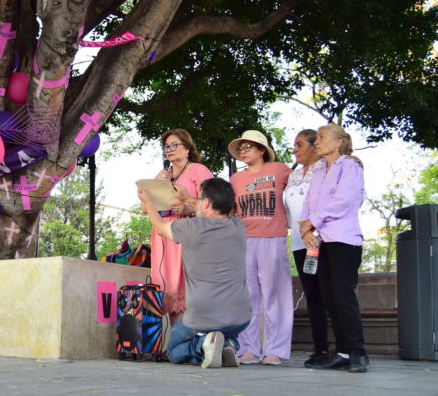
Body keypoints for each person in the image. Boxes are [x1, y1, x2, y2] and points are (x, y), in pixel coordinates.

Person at [138, 178, 251, 368]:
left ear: (205, 203)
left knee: (173, 351)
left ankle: (202, 346)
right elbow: (215, 207)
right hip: (240, 318)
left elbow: (159, 227)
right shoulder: (238, 227)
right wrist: (188, 199)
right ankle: (228, 344)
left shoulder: (192, 227)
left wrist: (149, 202)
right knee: (224, 331)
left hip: (203, 316)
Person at [299, 124, 368, 373]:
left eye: (321, 138)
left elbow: (344, 200)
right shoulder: (318, 171)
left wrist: (312, 222)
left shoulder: (350, 166)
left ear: (338, 142)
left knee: (343, 296)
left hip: (343, 240)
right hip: (321, 241)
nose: (317, 142)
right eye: (316, 138)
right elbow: (309, 203)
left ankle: (358, 352)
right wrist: (306, 230)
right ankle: (342, 352)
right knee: (329, 298)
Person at [228, 130, 292, 365]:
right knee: (248, 298)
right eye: (241, 148)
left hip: (272, 237)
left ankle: (276, 349)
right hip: (244, 240)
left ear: (262, 149)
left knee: (275, 296)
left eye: (248, 147)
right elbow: (228, 209)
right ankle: (249, 348)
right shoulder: (235, 179)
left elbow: (303, 185)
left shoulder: (279, 170)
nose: (243, 152)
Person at [149, 129, 214, 326]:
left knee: (187, 288)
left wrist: (188, 207)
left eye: (174, 145)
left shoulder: (198, 170)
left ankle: (192, 341)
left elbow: (213, 204)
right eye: (166, 146)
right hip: (163, 236)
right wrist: (155, 185)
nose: (169, 149)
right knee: (167, 285)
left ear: (187, 148)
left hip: (188, 235)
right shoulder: (165, 175)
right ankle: (177, 341)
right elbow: (149, 206)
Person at [283, 129, 330, 368]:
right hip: (300, 243)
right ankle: (320, 348)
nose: (295, 149)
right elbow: (289, 209)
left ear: (315, 145)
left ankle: (345, 349)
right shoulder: (294, 175)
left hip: (324, 239)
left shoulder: (327, 169)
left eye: (300, 144)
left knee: (331, 294)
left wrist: (313, 229)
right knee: (312, 295)